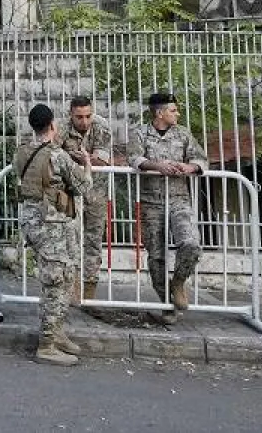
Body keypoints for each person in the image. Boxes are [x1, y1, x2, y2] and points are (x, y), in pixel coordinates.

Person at [12, 102, 89, 366]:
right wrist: (86, 163)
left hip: (31, 221)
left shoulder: (21, 152)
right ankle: (46, 344)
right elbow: (83, 186)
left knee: (58, 277)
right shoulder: (57, 155)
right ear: (53, 126)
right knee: (57, 280)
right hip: (50, 225)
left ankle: (56, 333)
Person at [127, 91, 208, 322]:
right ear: (159, 113)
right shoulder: (140, 133)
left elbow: (201, 159)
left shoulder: (183, 134)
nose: (177, 113)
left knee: (191, 243)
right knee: (156, 257)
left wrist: (189, 168)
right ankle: (166, 303)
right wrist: (156, 166)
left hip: (179, 199)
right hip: (151, 203)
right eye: (173, 110)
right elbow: (134, 159)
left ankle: (179, 283)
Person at [58, 96, 118, 302]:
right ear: (71, 115)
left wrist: (75, 157)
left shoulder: (102, 126)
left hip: (96, 191)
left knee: (93, 240)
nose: (84, 121)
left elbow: (100, 160)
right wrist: (83, 158)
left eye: (88, 116)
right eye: (79, 117)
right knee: (71, 239)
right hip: (71, 191)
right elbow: (53, 153)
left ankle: (90, 287)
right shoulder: (62, 128)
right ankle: (73, 285)